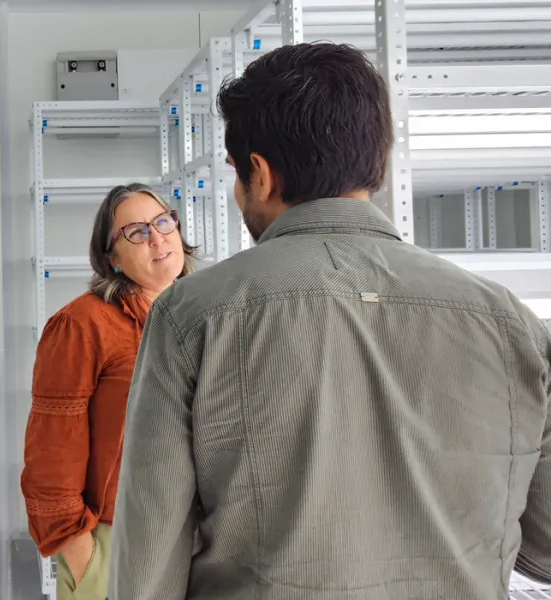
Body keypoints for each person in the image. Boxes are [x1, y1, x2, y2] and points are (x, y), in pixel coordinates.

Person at [108, 42, 551, 600]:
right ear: (376, 162)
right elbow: (544, 546)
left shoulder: (191, 317)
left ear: (260, 175)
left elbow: (148, 573)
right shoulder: (514, 326)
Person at [20, 183, 196, 599]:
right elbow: (51, 453)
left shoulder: (200, 311)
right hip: (117, 542)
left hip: (192, 539)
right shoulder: (83, 325)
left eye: (162, 221)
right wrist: (84, 557)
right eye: (135, 232)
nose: (156, 237)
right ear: (111, 258)